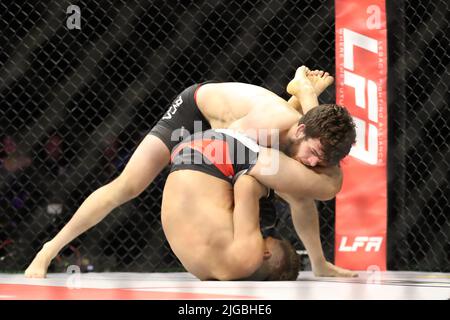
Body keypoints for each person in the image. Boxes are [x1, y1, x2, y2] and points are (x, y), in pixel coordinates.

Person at [25, 66, 356, 278]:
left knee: (298, 190)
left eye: (320, 161)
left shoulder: (297, 131)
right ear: (301, 131)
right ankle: (49, 249)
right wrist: (306, 94)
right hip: (194, 113)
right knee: (127, 185)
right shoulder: (272, 121)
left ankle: (319, 262)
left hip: (236, 133)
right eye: (314, 154)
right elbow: (221, 143)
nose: (313, 164)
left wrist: (305, 96)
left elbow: (296, 138)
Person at [163, 129, 301, 280]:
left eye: (263, 238)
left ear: (266, 253)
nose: (260, 234)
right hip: (182, 161)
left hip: (205, 151)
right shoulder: (203, 272)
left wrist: (268, 192)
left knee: (317, 185)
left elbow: (246, 185)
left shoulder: (248, 257)